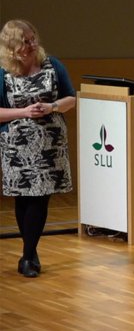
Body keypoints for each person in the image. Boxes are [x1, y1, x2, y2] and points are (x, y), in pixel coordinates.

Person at [0, 19, 76, 278]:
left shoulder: (52, 65)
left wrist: (52, 107)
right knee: (23, 197)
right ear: (11, 46)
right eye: (25, 41)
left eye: (33, 39)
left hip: (50, 143)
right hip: (16, 146)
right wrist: (24, 112)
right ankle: (29, 254)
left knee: (41, 197)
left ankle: (28, 254)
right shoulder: (3, 72)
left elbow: (70, 98)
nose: (32, 45)